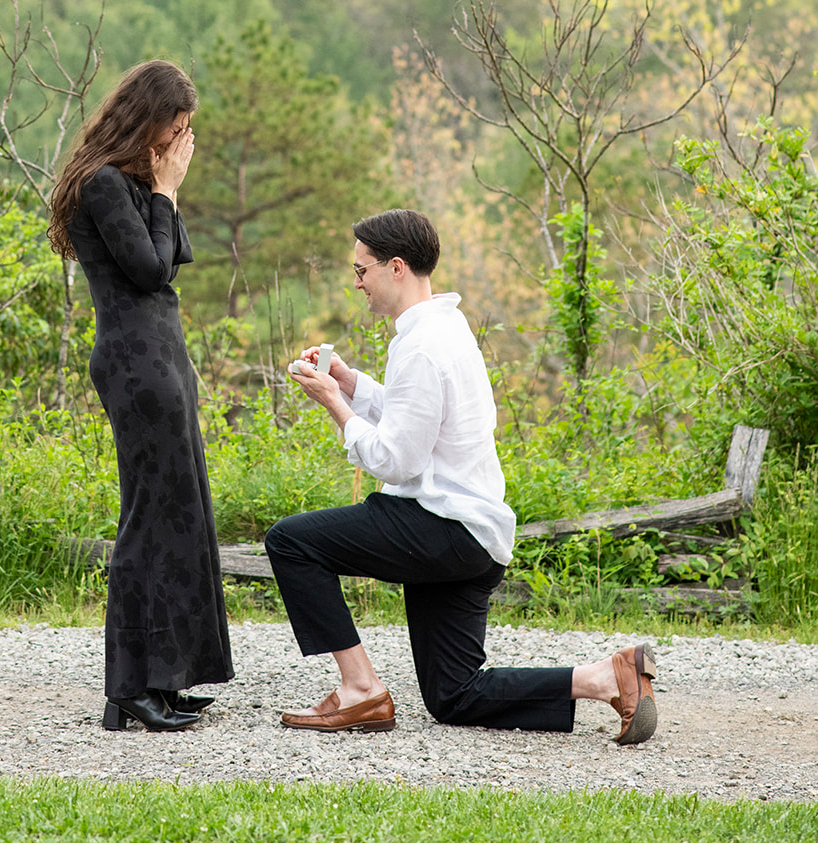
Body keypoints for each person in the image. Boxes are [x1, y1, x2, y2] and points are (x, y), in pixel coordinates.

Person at [265, 208, 657, 744]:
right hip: (471, 536)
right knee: (453, 695)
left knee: (290, 542)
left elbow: (397, 460)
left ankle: (359, 688)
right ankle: (603, 678)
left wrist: (334, 403)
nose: (357, 282)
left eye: (362, 270)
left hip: (440, 528)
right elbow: (417, 419)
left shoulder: (422, 345)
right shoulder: (445, 326)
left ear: (396, 267)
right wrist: (351, 382)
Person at [48, 59, 233, 733]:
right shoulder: (101, 185)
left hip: (163, 357)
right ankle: (129, 685)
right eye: (173, 127)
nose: (177, 142)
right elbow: (151, 269)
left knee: (182, 514)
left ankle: (167, 676)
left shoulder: (132, 184)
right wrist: (168, 190)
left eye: (185, 132)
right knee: (148, 520)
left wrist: (163, 191)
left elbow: (173, 253)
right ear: (142, 118)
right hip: (134, 362)